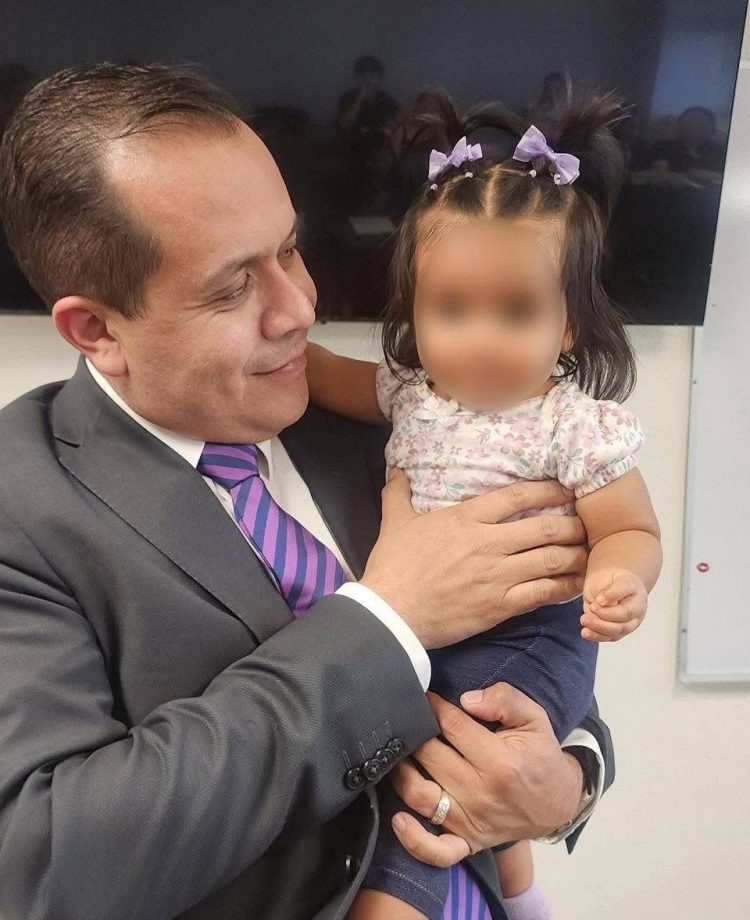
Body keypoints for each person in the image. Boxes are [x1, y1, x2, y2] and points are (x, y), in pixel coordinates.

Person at [0, 64, 612, 920]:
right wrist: (389, 619)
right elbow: (46, 865)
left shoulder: (400, 426)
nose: (300, 309)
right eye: (233, 286)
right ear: (96, 328)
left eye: (289, 249)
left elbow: (539, 650)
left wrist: (566, 785)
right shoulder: (21, 506)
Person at [307, 92, 662, 920]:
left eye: (517, 312)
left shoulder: (573, 426)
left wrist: (620, 579)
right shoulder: (412, 394)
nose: (481, 338)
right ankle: (520, 895)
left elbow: (630, 527)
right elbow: (318, 372)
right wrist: (278, 343)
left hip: (531, 635)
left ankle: (443, 896)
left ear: (569, 326)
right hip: (437, 629)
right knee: (418, 736)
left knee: (435, 765)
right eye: (451, 310)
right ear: (415, 309)